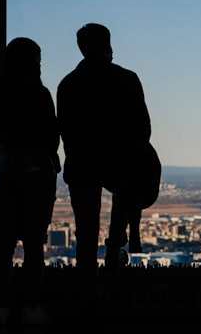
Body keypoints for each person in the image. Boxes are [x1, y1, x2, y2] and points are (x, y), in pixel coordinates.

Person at [57, 23, 152, 305]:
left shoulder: (68, 84)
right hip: (121, 165)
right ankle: (115, 256)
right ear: (108, 45)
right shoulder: (127, 79)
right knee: (119, 208)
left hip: (83, 165)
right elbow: (143, 130)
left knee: (85, 233)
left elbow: (66, 132)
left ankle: (87, 292)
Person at [0, 37, 60, 325]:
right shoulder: (40, 94)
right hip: (36, 172)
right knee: (33, 245)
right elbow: (52, 138)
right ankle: (31, 308)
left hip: (5, 169)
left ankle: (1, 308)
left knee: (3, 242)